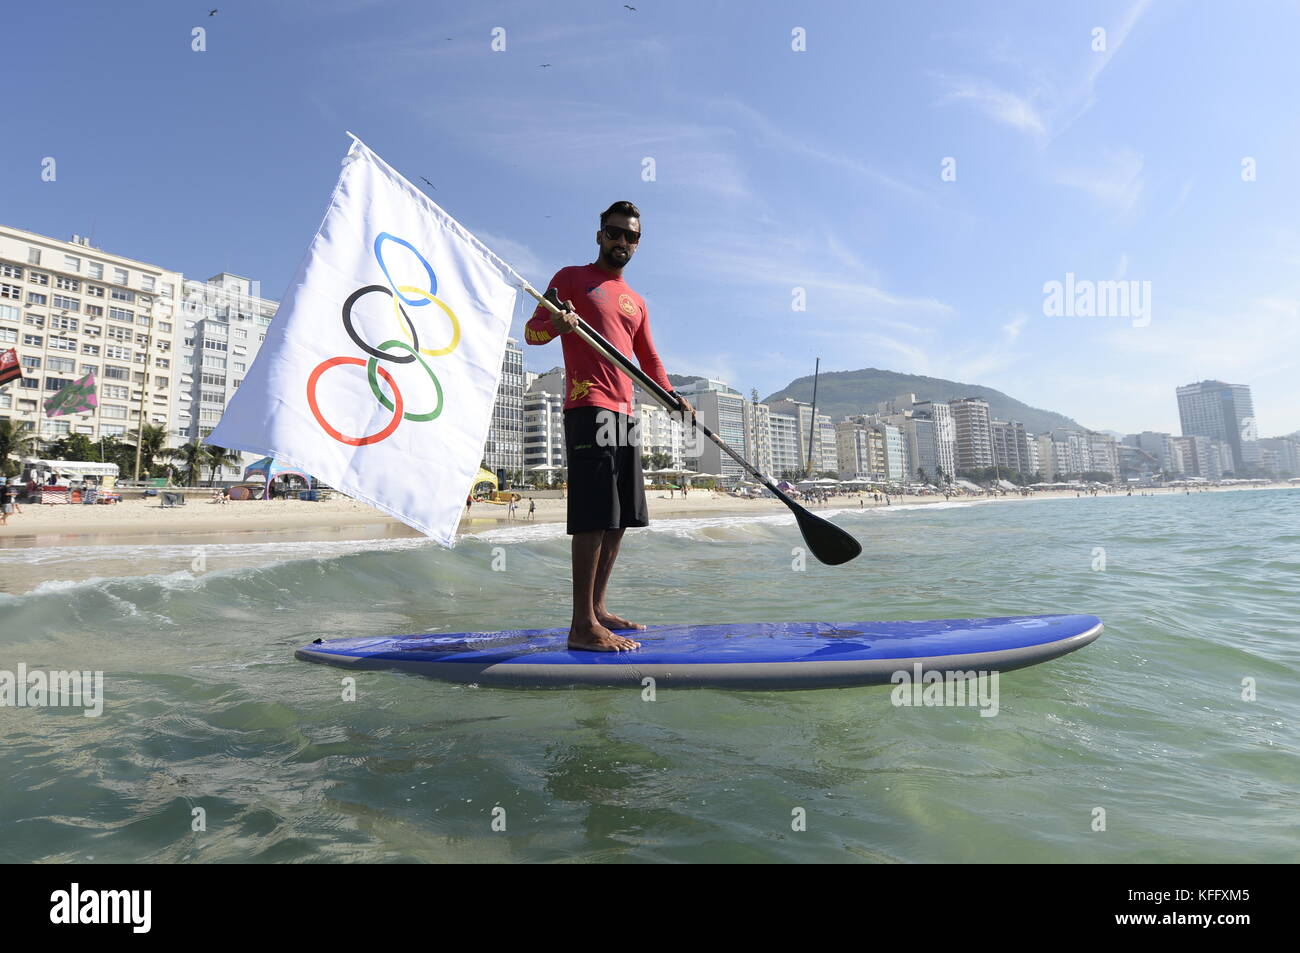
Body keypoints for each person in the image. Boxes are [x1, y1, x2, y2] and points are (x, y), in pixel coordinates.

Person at [524, 200, 694, 652]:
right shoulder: (570, 279)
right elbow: (532, 332)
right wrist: (559, 325)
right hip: (587, 405)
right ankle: (580, 626)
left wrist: (673, 397)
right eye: (615, 233)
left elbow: (649, 358)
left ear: (638, 243)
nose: (622, 241)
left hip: (625, 412)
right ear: (600, 235)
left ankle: (598, 610)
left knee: (619, 519)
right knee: (594, 516)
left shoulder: (636, 301)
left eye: (631, 236)